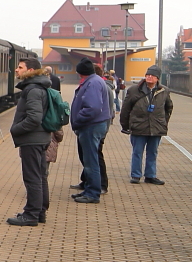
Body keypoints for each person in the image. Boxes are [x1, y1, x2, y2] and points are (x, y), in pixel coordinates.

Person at [7, 57, 53, 226]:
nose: (16, 70)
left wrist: (16, 129)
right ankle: (39, 212)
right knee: (40, 176)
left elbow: (34, 118)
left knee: (32, 177)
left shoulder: (33, 89)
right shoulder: (40, 86)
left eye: (20, 67)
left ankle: (31, 214)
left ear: (31, 70)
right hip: (40, 138)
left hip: (32, 139)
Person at [120, 65, 174, 185]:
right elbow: (126, 109)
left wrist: (163, 122)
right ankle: (136, 175)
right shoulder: (134, 90)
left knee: (152, 152)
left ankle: (150, 175)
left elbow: (168, 107)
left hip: (156, 127)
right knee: (137, 152)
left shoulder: (164, 91)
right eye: (147, 75)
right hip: (138, 126)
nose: (149, 77)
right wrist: (125, 125)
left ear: (157, 78)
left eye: (152, 75)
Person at [69, 58, 112, 203]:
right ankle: (88, 189)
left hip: (91, 126)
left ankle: (93, 193)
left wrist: (78, 120)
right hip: (92, 125)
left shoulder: (92, 83)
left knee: (91, 161)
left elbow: (92, 108)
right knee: (89, 160)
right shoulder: (94, 81)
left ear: (80, 72)